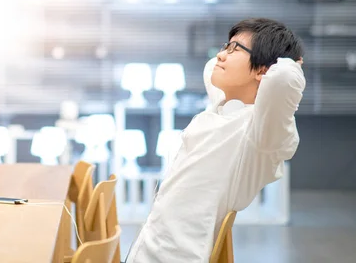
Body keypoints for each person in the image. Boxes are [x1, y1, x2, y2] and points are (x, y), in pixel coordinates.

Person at [125, 18, 306, 263]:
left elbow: (283, 78)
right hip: (147, 250)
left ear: (264, 71)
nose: (221, 55)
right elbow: (211, 67)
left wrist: (290, 64)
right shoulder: (220, 109)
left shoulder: (259, 134)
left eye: (235, 50)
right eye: (225, 46)